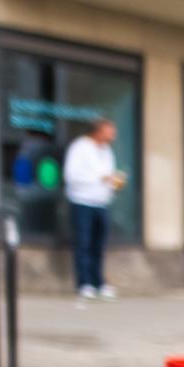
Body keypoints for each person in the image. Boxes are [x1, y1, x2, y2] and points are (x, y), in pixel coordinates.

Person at [63, 117, 124, 298]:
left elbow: (109, 176)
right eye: (109, 131)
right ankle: (84, 283)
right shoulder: (80, 147)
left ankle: (99, 282)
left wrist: (113, 183)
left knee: (99, 245)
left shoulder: (107, 151)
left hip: (101, 203)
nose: (113, 135)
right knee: (83, 243)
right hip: (82, 202)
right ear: (99, 130)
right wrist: (100, 178)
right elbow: (71, 176)